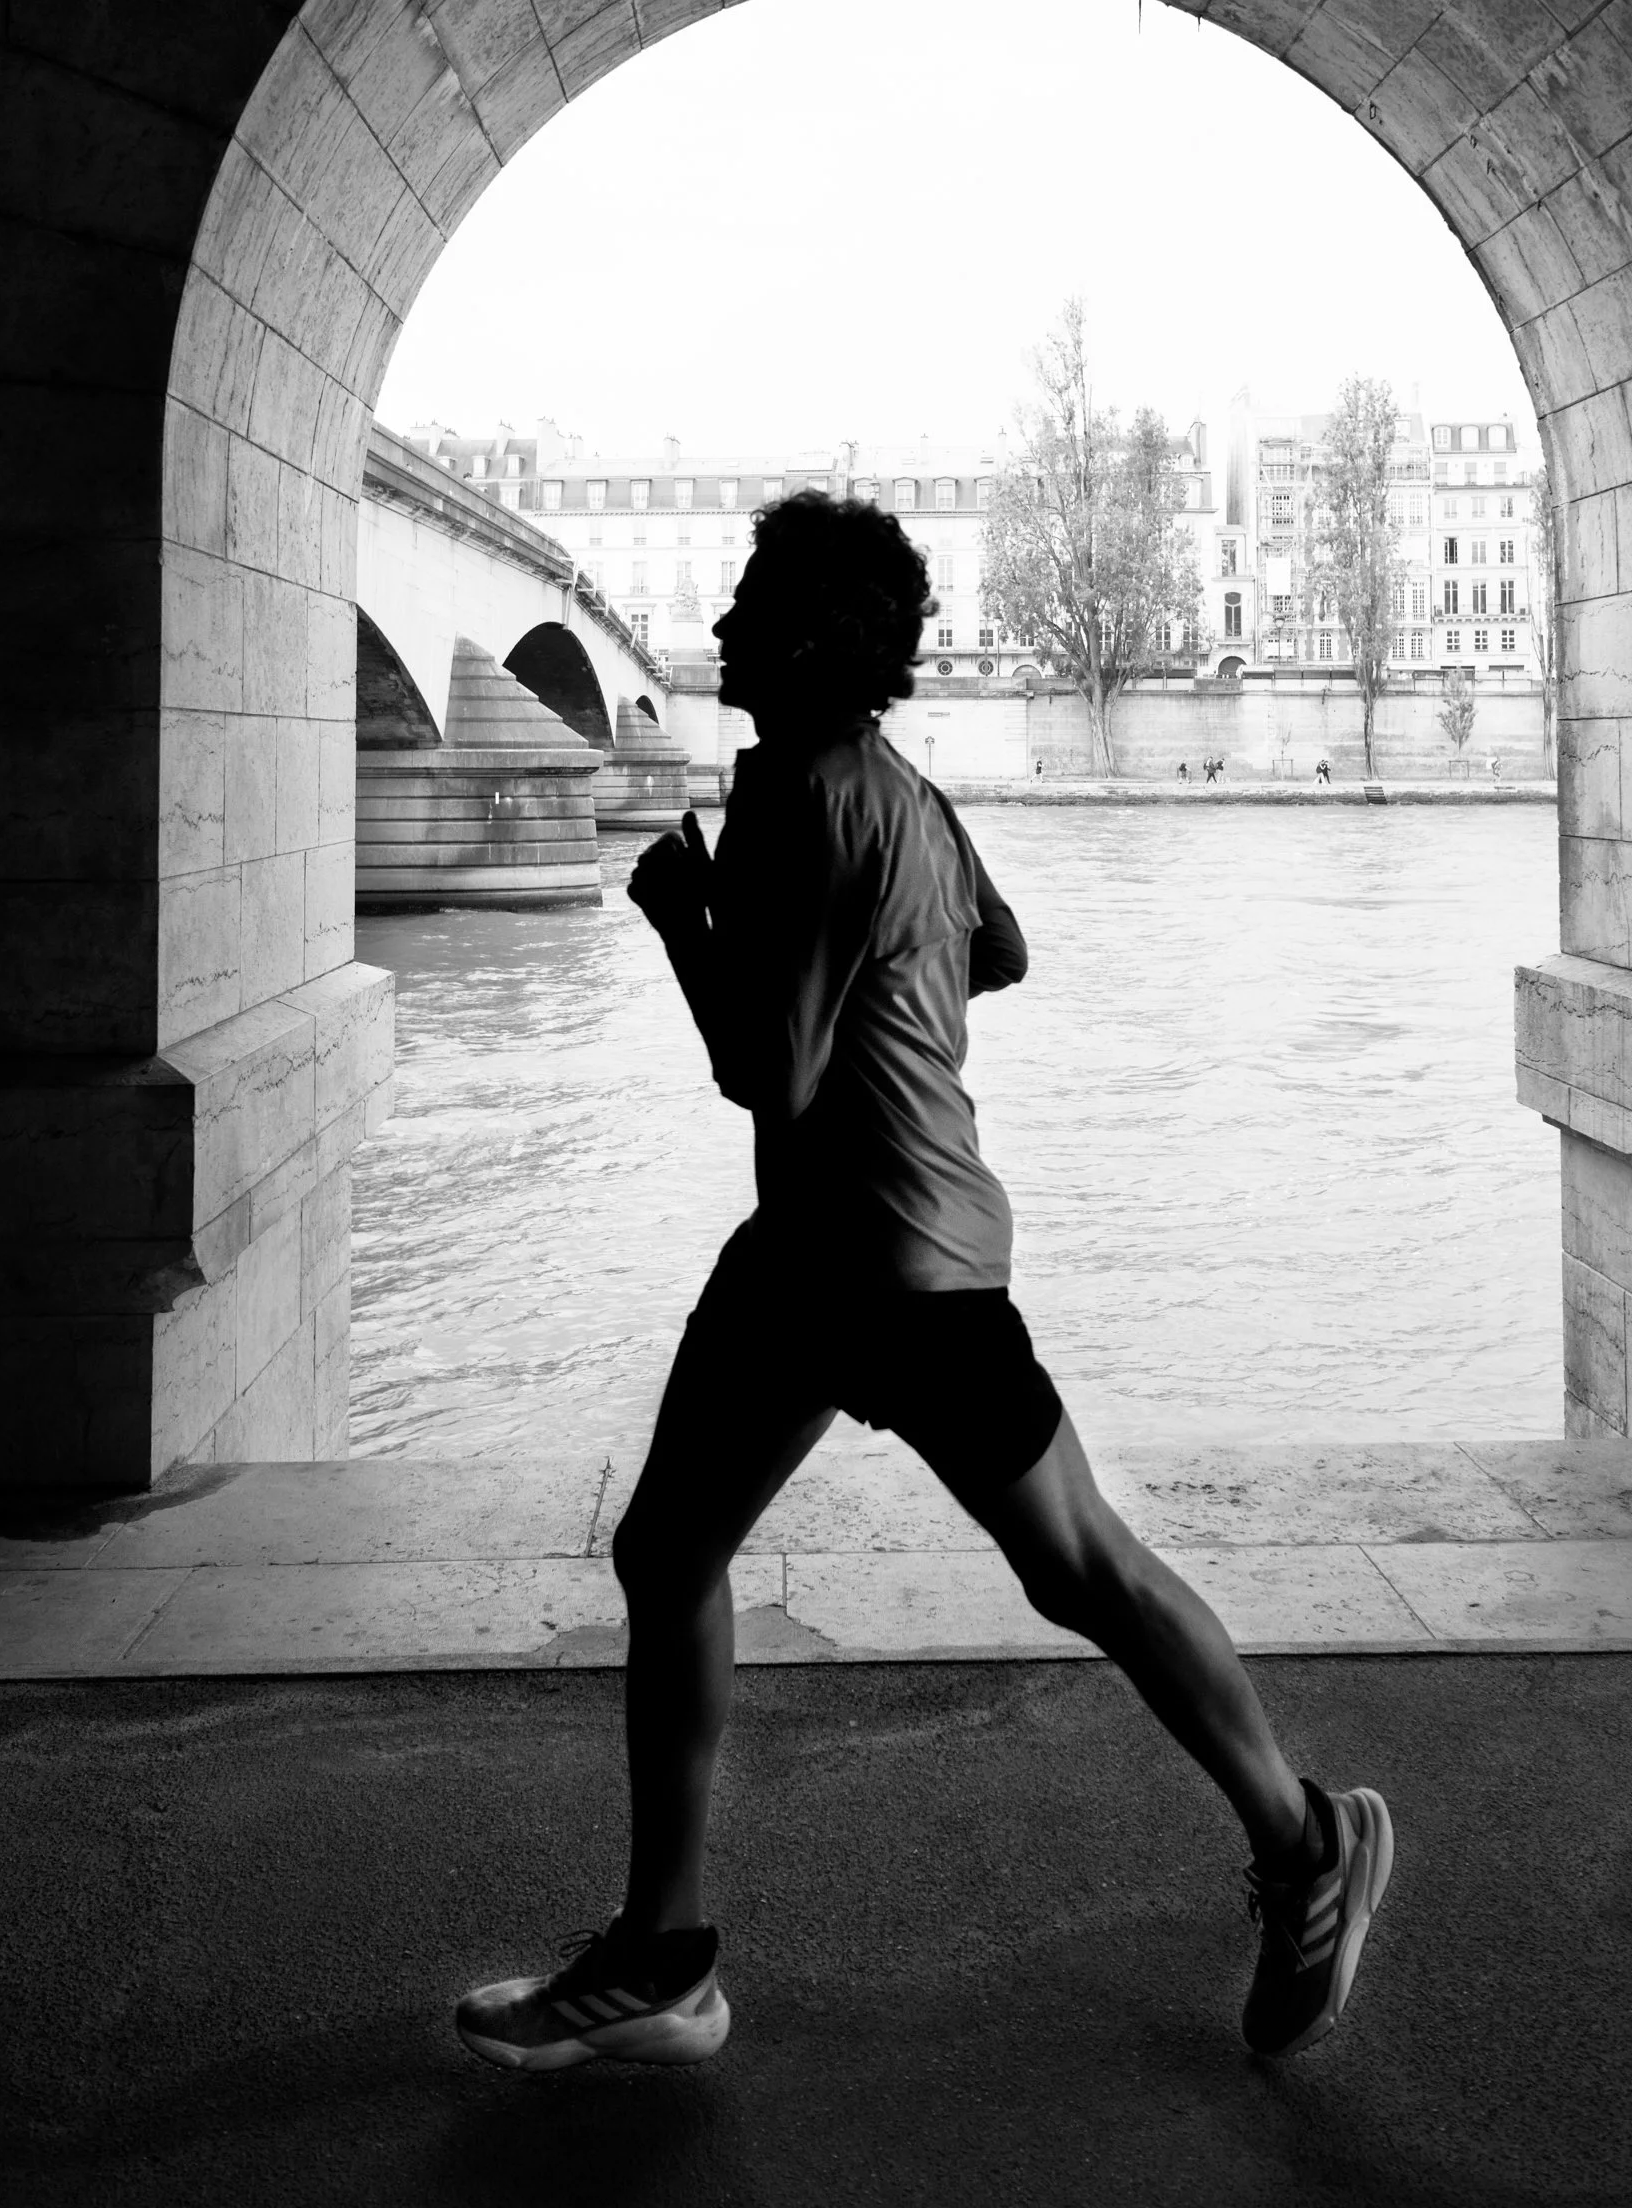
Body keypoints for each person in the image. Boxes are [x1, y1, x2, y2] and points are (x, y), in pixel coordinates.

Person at [455, 493, 1391, 2078]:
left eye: (754, 596)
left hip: (871, 1259)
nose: (728, 619)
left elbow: (773, 1071)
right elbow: (1000, 949)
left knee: (1023, 1564)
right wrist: (887, 948)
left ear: (811, 638)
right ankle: (665, 1953)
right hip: (871, 1251)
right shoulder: (902, 796)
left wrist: (688, 921)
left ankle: (1306, 1838)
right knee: (721, 1549)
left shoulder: (812, 801)